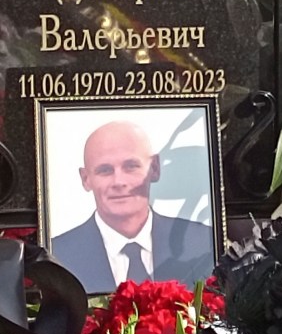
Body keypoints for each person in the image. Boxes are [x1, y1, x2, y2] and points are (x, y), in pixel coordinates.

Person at [51, 121, 214, 293]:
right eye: (105, 170)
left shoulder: (204, 242)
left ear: (155, 168)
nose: (119, 182)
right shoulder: (57, 256)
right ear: (86, 179)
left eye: (131, 167)